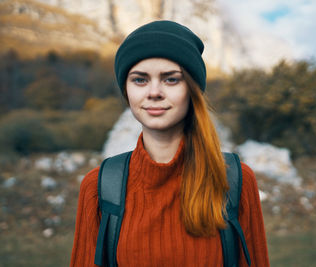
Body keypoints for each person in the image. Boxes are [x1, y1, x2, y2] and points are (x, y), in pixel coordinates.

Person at [70, 20, 270, 267]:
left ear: (192, 90)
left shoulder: (234, 181)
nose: (154, 92)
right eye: (140, 80)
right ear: (127, 91)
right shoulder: (98, 187)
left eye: (171, 79)